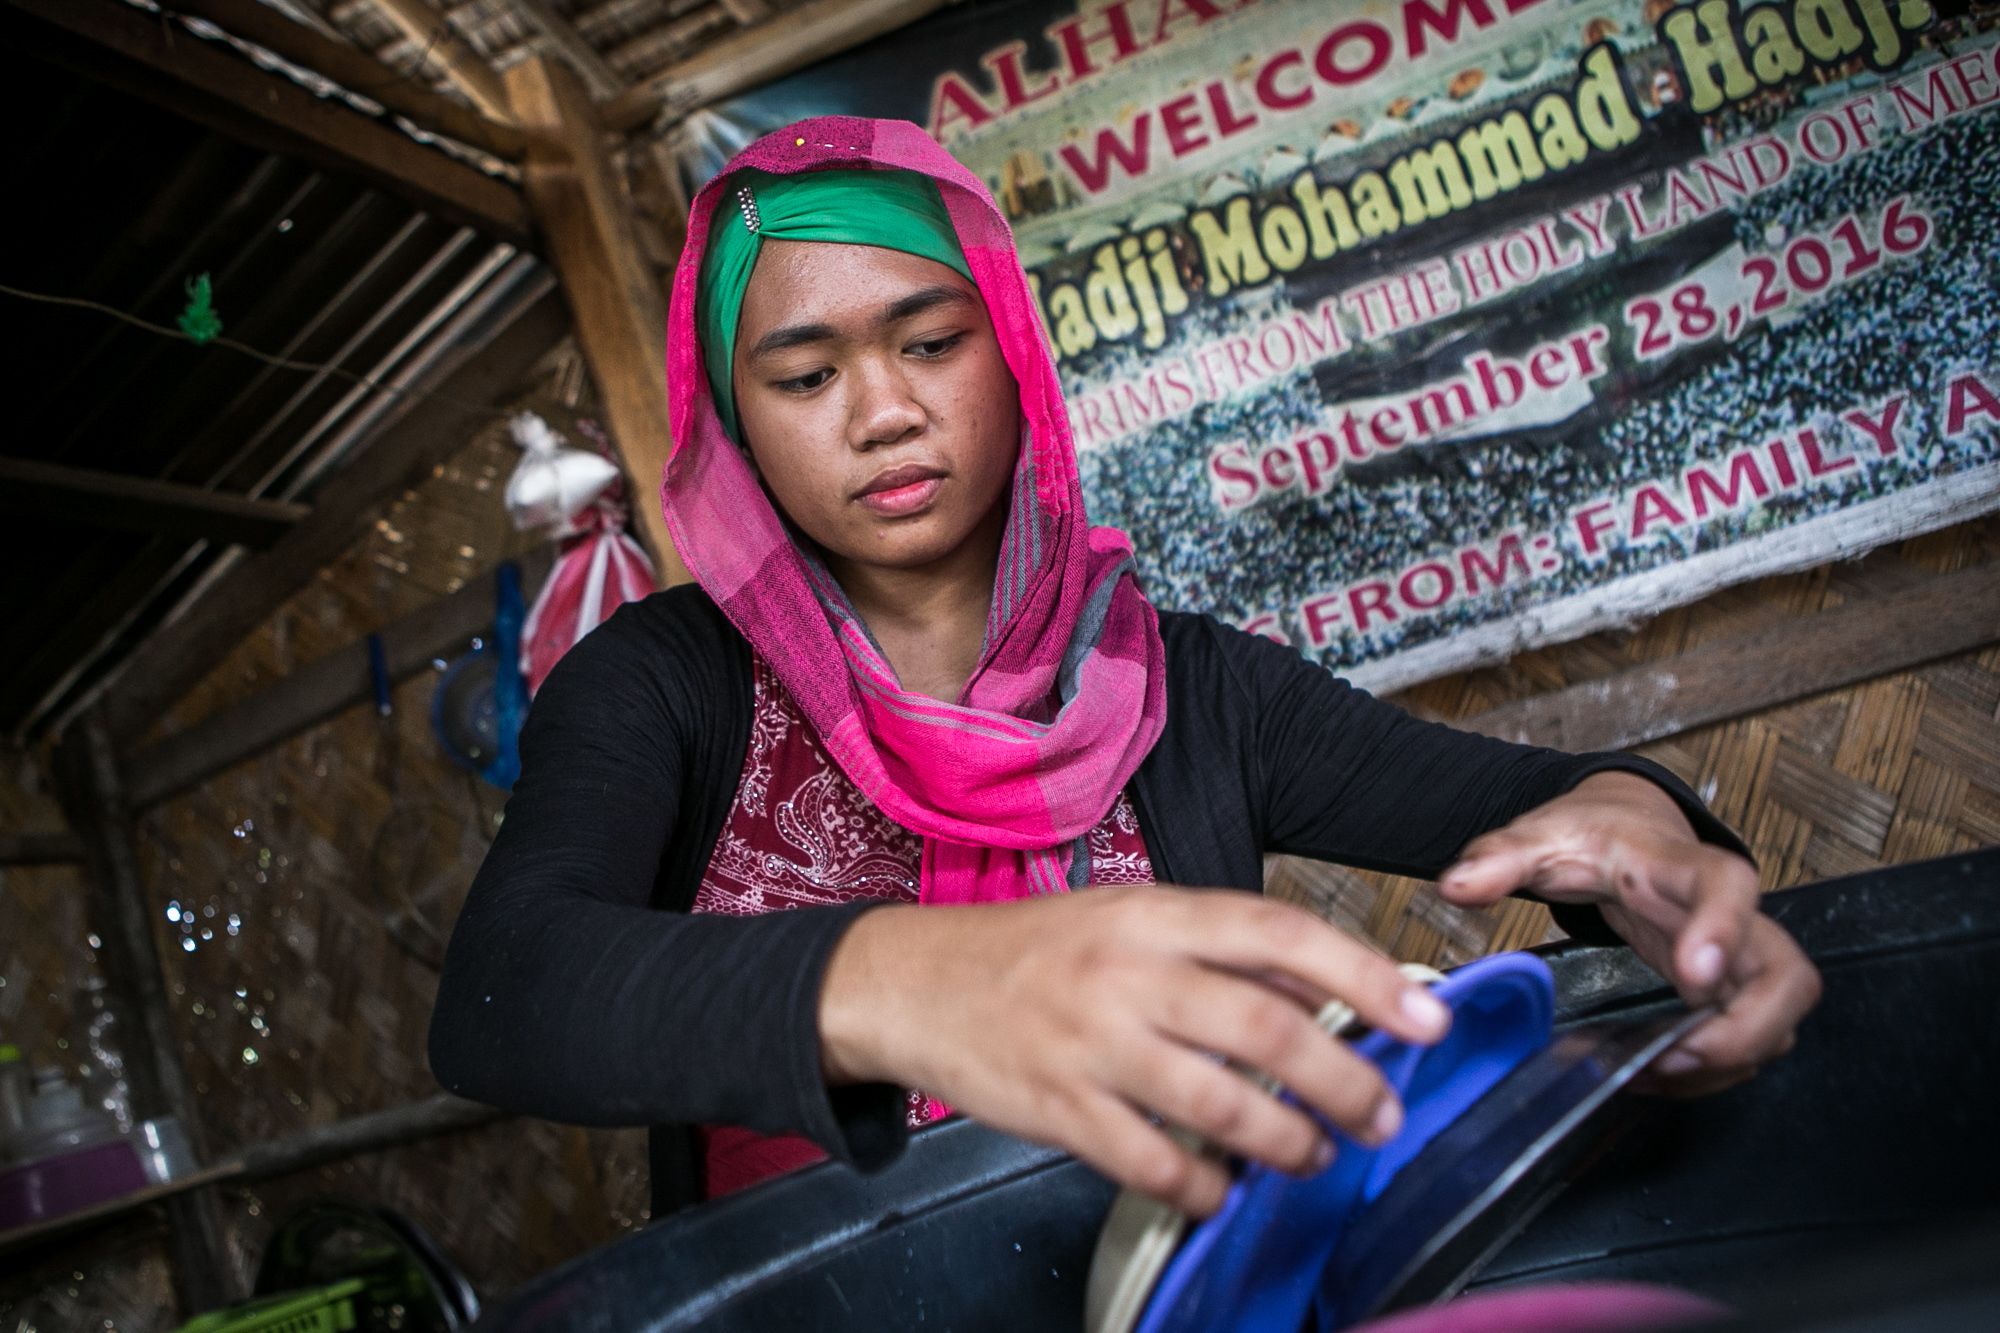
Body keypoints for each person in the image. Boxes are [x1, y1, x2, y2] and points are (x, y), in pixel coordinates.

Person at [428, 117, 1820, 1222]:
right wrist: (913, 982)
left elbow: (1545, 801)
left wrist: (1643, 832)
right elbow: (506, 989)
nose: (886, 411)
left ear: (1013, 351)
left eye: (930, 342)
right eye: (803, 378)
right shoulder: (665, 685)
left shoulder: (1187, 692)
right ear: (733, 423)